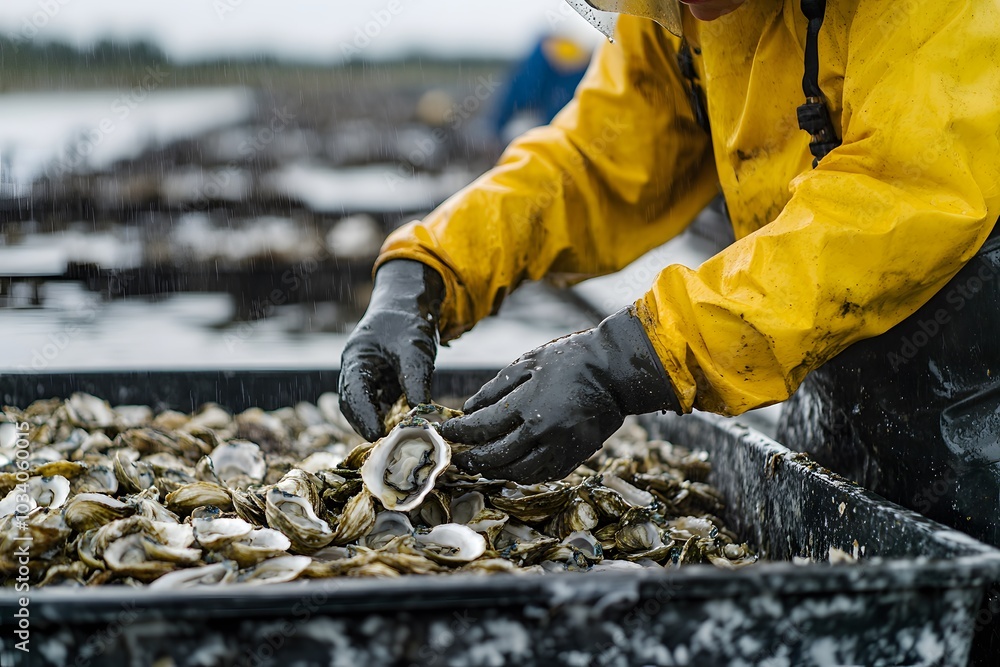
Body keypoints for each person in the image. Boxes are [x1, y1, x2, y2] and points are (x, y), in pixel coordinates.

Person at [340, 0, 1000, 640]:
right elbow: (600, 161)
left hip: (979, 390)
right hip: (827, 369)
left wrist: (639, 354)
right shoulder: (679, 16)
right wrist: (427, 271)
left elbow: (905, 190)